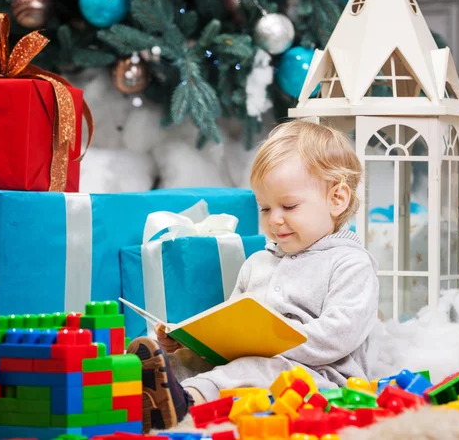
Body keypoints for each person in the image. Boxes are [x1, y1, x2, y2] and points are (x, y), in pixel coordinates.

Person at [126, 120, 380, 432]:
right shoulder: (258, 262)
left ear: (336, 199)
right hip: (255, 363)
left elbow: (337, 337)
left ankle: (186, 402)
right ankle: (148, 387)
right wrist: (187, 340)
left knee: (255, 367)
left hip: (323, 381)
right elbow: (231, 324)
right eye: (265, 209)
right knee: (194, 363)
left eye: (288, 206)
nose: (275, 220)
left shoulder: (350, 264)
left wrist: (269, 345)